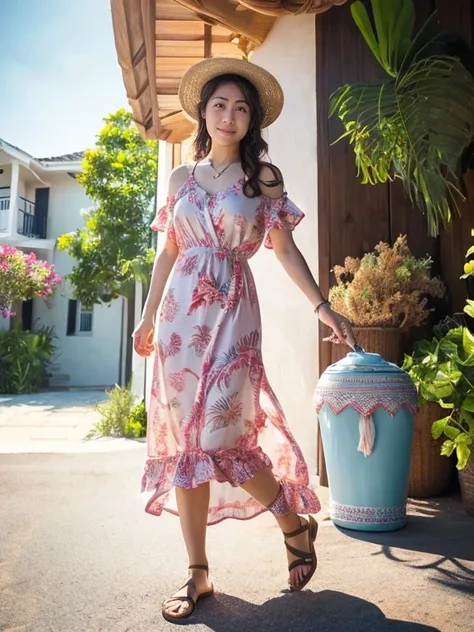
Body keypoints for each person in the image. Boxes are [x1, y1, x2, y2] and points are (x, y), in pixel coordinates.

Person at [132, 57, 356, 622]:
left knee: (220, 435)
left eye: (240, 108)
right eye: (219, 105)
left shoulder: (263, 179)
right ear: (202, 114)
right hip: (181, 321)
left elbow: (283, 250)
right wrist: (147, 314)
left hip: (232, 310)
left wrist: (322, 305)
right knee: (188, 445)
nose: (229, 116)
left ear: (251, 120)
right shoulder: (181, 180)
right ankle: (198, 573)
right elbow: (168, 252)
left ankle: (290, 520)